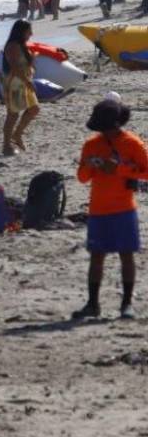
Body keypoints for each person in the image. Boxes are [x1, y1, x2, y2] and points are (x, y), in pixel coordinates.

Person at [73, 98, 146, 321]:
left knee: (126, 256)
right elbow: (82, 178)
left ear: (116, 124)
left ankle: (127, 304)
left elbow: (145, 171)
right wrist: (90, 164)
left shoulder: (132, 143)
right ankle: (92, 304)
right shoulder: (91, 145)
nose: (103, 132)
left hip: (124, 209)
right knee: (97, 257)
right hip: (98, 210)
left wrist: (121, 169)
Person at [1, 20, 39, 156]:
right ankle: (6, 146)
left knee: (34, 109)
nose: (31, 34)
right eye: (29, 31)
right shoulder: (12, 46)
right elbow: (15, 68)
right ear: (21, 32)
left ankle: (17, 134)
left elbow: (24, 65)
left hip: (24, 82)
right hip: (15, 84)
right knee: (13, 114)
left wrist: (32, 60)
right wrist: (28, 81)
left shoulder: (22, 45)